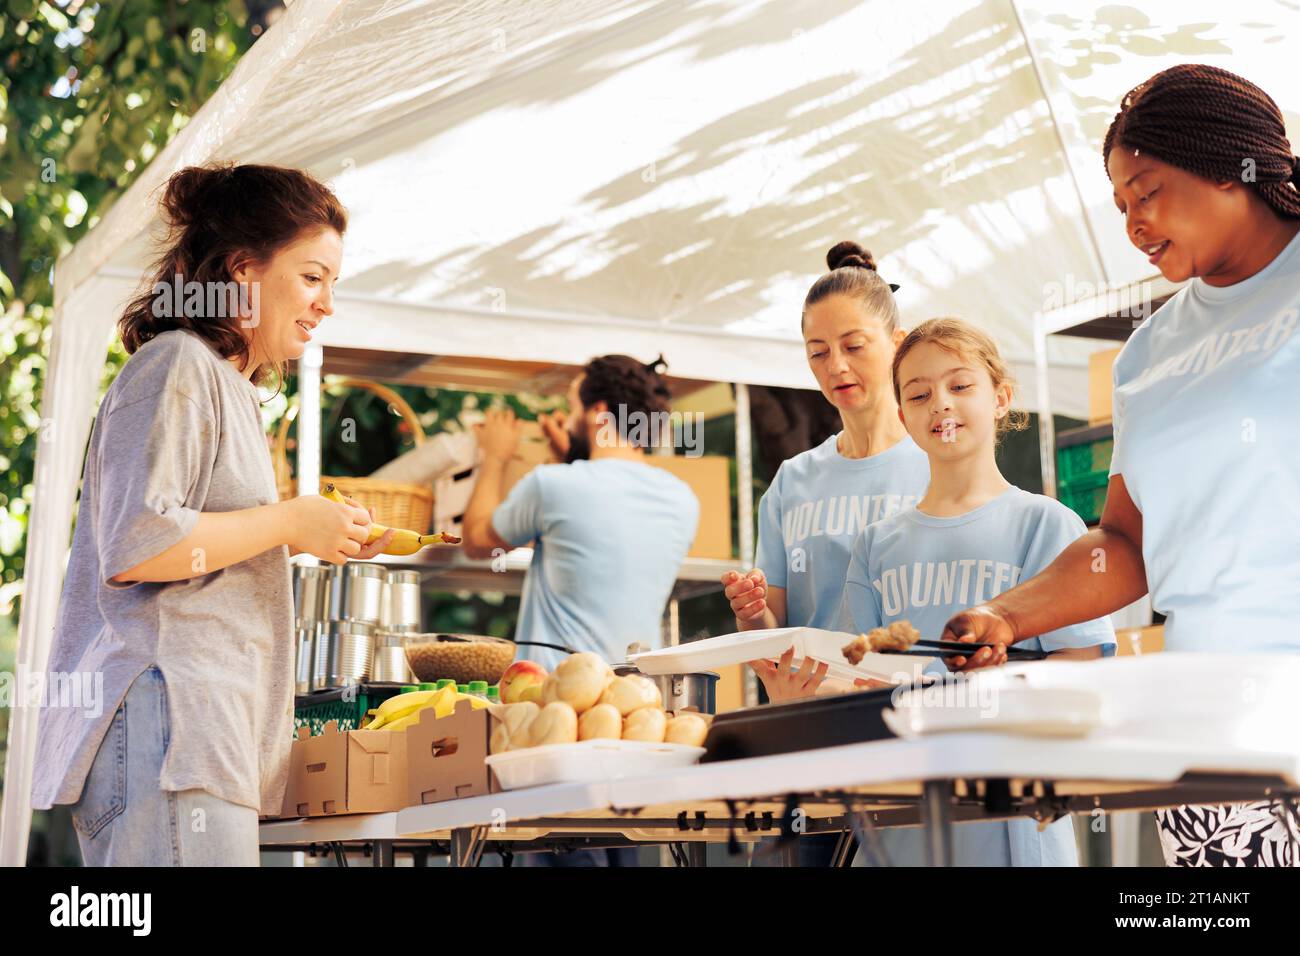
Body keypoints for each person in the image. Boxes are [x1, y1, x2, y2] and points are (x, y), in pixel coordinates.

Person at [941, 64, 1300, 867]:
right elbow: (1124, 543)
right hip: (1214, 732)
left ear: (1227, 165)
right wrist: (1009, 616)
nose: (1133, 223)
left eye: (1148, 192)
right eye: (1121, 207)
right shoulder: (1150, 353)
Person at [31, 164, 395, 866]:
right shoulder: (177, 365)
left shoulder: (222, 386)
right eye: (312, 276)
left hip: (189, 740)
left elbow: (191, 546)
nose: (325, 304)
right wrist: (290, 522)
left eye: (333, 285)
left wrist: (308, 530)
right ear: (242, 270)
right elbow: (138, 546)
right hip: (170, 731)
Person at [840, 317, 1115, 865]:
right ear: (903, 416)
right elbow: (856, 678)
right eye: (919, 394)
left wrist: (1010, 681)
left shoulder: (1047, 524)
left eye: (960, 386)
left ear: (1001, 398)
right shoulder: (874, 544)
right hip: (903, 820)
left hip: (1015, 820)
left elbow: (1086, 664)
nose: (940, 403)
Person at [720, 242, 931, 703]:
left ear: (898, 343)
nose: (836, 366)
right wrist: (751, 611)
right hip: (812, 712)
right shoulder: (791, 483)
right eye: (818, 352)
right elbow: (769, 630)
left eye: (854, 346)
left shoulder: (944, 464)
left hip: (918, 710)